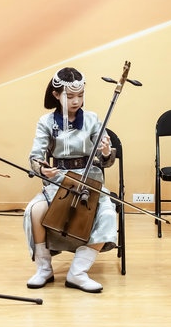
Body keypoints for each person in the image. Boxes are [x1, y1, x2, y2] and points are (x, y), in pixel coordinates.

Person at [24, 67, 117, 294]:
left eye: (80, 95)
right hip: (59, 180)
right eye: (70, 96)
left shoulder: (92, 119)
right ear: (56, 95)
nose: (76, 101)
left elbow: (106, 160)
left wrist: (106, 152)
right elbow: (35, 157)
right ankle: (44, 268)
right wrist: (42, 168)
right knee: (35, 210)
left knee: (107, 213)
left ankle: (78, 272)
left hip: (89, 180)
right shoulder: (46, 122)